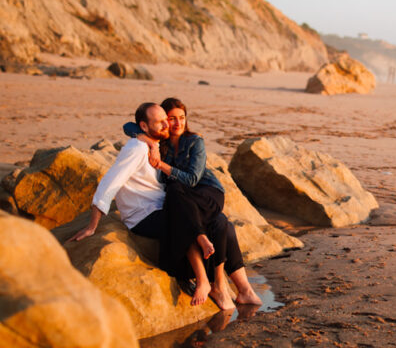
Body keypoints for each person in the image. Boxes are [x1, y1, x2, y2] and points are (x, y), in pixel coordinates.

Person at [71, 102, 259, 311]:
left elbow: (132, 128)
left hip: (162, 205)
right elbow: (110, 182)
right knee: (186, 219)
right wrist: (92, 225)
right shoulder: (136, 148)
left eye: (165, 120)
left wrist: (150, 142)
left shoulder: (158, 142)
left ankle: (239, 289)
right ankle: (205, 280)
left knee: (221, 222)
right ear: (144, 126)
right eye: (161, 122)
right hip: (142, 215)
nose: (166, 126)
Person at [126, 97, 261, 310]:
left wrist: (161, 165)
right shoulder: (160, 141)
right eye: (172, 119)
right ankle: (244, 290)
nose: (178, 123)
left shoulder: (194, 141)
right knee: (221, 223)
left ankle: (217, 282)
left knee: (175, 191)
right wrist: (150, 141)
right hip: (185, 199)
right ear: (163, 121)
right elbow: (129, 126)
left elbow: (191, 179)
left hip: (207, 192)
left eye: (182, 118)